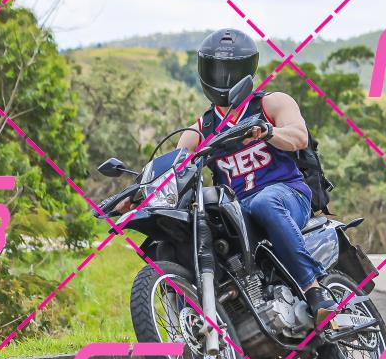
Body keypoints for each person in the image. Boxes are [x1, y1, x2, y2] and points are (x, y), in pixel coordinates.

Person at [119, 28, 336, 330]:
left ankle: (315, 291)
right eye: (215, 69)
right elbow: (174, 167)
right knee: (178, 238)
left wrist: (268, 131)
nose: (223, 77)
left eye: (230, 70)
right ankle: (199, 333)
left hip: (287, 194)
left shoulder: (271, 104)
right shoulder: (201, 128)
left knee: (265, 202)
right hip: (236, 209)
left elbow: (298, 136)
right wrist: (136, 194)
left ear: (247, 70)